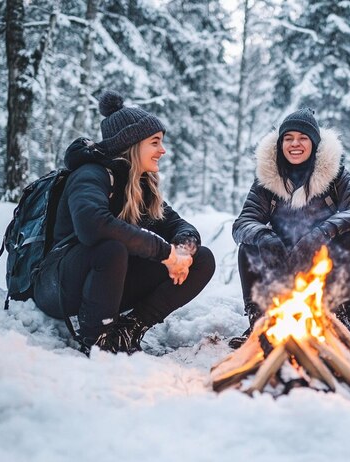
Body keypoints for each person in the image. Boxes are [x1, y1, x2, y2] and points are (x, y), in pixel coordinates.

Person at [33, 90, 215, 355]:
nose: (162, 150)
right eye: (155, 142)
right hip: (57, 286)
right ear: (131, 143)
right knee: (110, 247)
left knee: (202, 259)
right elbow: (92, 225)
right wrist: (164, 252)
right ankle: (98, 338)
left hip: (105, 283)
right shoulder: (90, 174)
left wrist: (183, 251)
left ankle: (130, 328)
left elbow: (177, 225)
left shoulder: (140, 185)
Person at [230, 108, 350, 347]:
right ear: (280, 144)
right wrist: (265, 237)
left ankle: (342, 319)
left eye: (302, 138)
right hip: (281, 267)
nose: (295, 144)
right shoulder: (266, 180)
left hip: (323, 271)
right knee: (250, 244)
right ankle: (259, 322)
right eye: (288, 138)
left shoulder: (335, 175)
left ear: (315, 144)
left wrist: (322, 233)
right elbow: (243, 223)